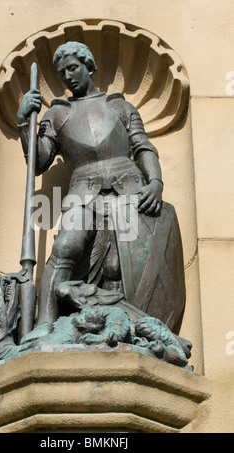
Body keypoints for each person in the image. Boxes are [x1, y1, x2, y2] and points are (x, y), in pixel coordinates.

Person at [17, 42, 184, 342]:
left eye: (73, 67)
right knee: (66, 246)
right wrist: (23, 122)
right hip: (83, 191)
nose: (67, 76)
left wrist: (156, 183)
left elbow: (142, 146)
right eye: (61, 72)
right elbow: (39, 160)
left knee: (116, 267)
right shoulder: (57, 114)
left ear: (89, 66)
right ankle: (44, 324)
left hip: (129, 190)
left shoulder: (119, 106)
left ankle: (128, 331)